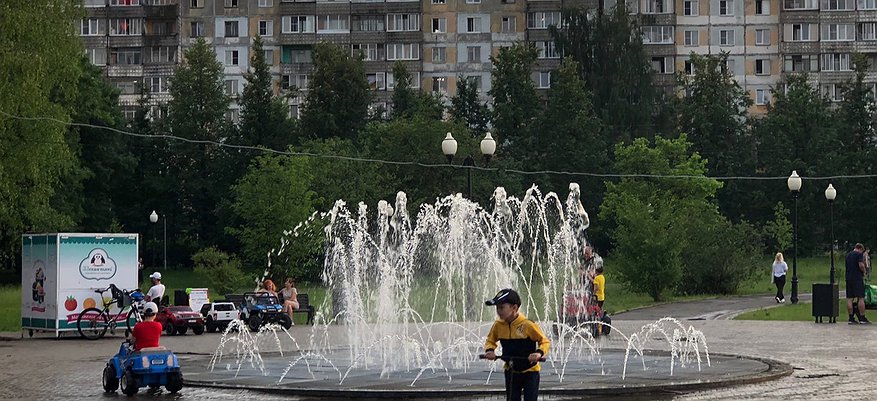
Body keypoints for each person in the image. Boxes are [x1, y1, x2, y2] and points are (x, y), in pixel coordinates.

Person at [483, 289, 550, 401]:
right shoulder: (498, 325)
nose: (498, 311)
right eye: (497, 308)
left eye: (501, 307)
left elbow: (544, 341)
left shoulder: (527, 325)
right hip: (511, 371)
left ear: (514, 308)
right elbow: (490, 340)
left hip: (530, 371)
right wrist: (490, 350)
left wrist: (538, 353)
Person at [846, 243, 871, 324]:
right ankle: (862, 318)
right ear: (860, 249)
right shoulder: (859, 254)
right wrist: (864, 271)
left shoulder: (848, 255)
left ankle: (851, 318)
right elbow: (861, 265)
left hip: (848, 278)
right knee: (861, 297)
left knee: (850, 298)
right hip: (857, 278)